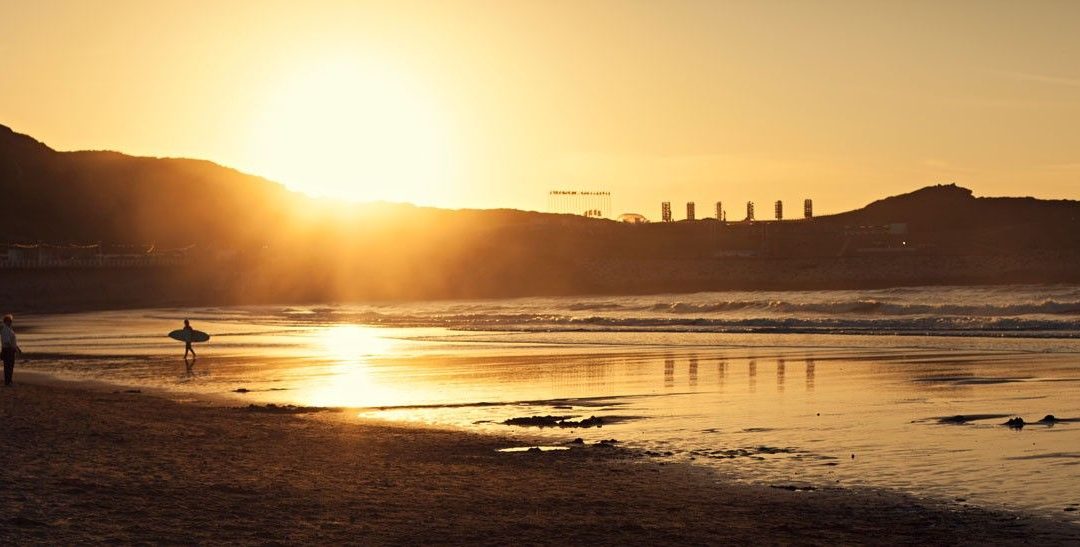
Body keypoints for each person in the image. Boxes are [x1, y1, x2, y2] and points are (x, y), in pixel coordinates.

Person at [2, 314, 23, 386]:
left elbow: (13, 341)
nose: (10, 322)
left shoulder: (10, 329)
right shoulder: (5, 330)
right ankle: (8, 382)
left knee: (10, 366)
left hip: (10, 350)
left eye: (11, 321)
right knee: (8, 366)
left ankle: (9, 381)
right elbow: (7, 342)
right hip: (7, 350)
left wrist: (17, 348)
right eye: (9, 321)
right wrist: (14, 348)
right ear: (5, 322)